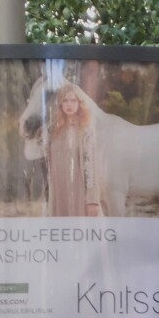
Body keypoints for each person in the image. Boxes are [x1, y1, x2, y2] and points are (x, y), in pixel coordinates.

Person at [45, 82, 100, 217]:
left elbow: (91, 166)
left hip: (78, 193)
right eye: (65, 100)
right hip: (57, 192)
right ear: (60, 103)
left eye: (73, 100)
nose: (69, 104)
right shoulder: (53, 131)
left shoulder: (85, 130)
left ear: (79, 103)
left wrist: (92, 200)